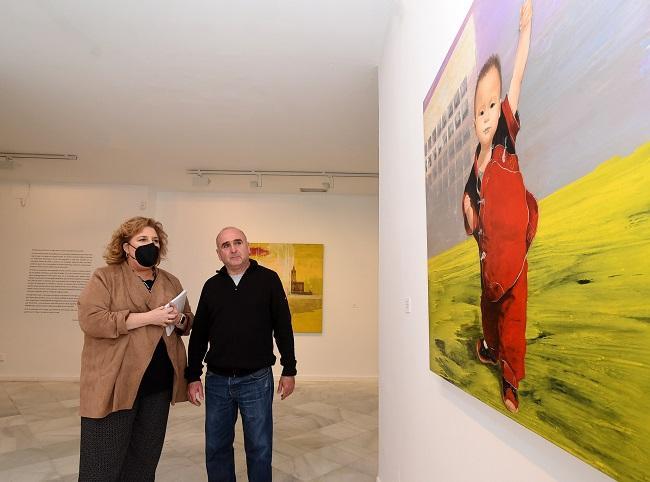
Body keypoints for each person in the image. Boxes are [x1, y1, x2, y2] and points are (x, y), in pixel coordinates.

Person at [461, 0, 538, 414]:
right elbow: (469, 203)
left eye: (492, 106)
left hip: (514, 254)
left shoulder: (506, 139)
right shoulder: (477, 161)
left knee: (513, 314)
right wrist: (471, 216)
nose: (487, 115)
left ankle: (510, 381)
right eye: (480, 110)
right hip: (489, 256)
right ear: (474, 119)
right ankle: (489, 349)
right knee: (489, 309)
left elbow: (518, 77)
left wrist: (524, 33)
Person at [77, 216, 193, 481]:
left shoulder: (170, 280)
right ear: (126, 246)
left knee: (144, 461)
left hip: (158, 386)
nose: (149, 245)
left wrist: (180, 319)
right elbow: (92, 320)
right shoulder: (105, 277)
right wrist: (148, 318)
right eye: (142, 240)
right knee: (102, 463)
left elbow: (188, 321)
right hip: (115, 383)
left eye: (154, 240)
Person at [185, 226, 296, 482]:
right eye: (226, 245)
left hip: (256, 381)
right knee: (216, 448)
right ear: (218, 253)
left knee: (259, 448)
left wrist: (289, 369)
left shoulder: (268, 280)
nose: (233, 249)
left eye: (237, 242)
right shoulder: (211, 287)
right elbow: (199, 334)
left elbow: (283, 327)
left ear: (247, 246)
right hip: (217, 382)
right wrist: (193, 376)